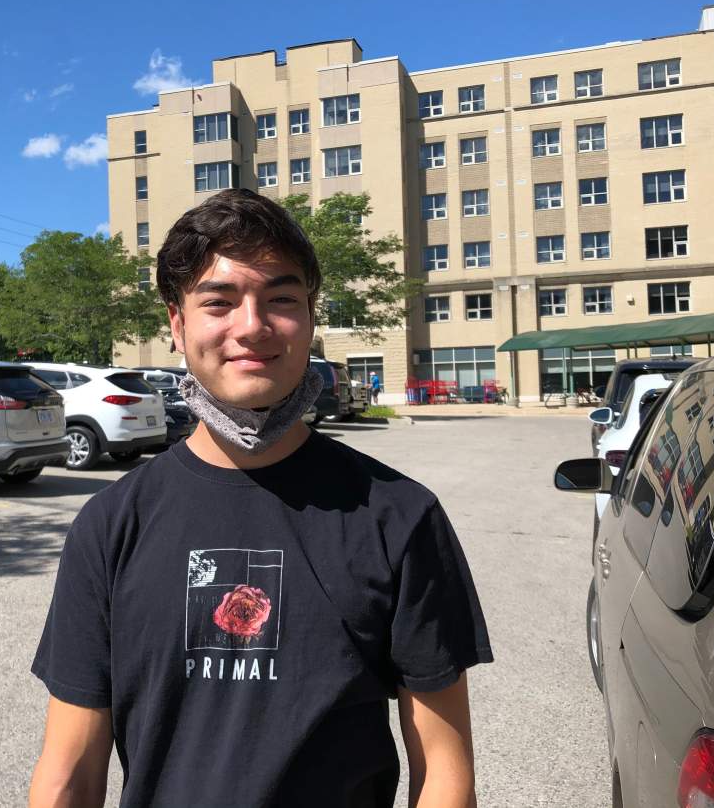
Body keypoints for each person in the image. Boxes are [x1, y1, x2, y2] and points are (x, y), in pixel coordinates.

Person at [28, 189, 492, 808]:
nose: (252, 326)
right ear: (177, 323)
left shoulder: (399, 517)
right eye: (218, 302)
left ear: (310, 315)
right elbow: (69, 773)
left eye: (280, 299)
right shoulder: (111, 525)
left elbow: (443, 768)